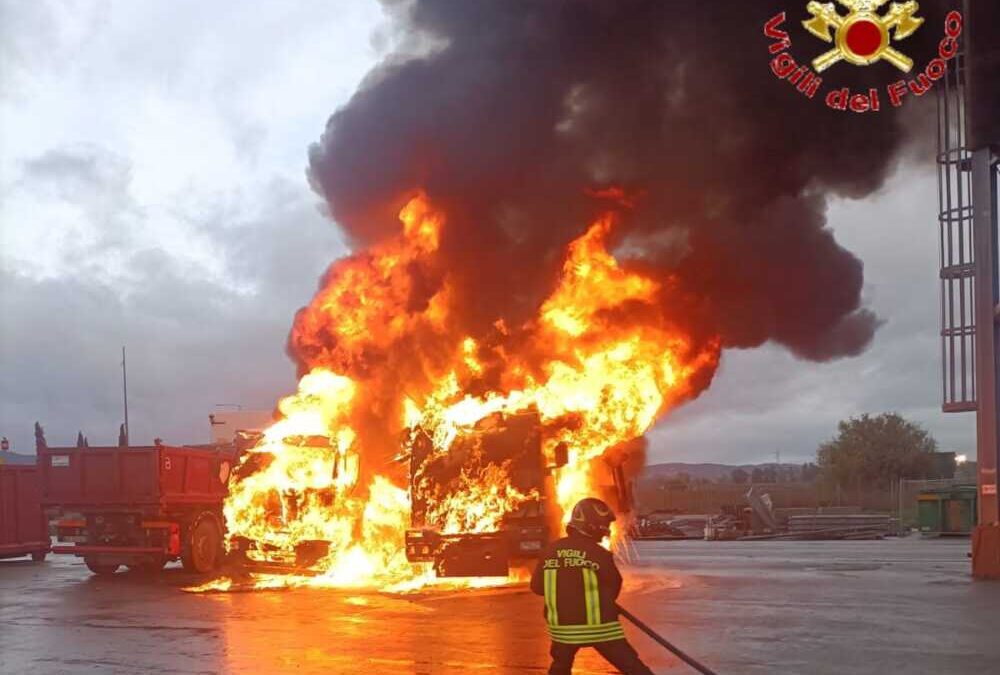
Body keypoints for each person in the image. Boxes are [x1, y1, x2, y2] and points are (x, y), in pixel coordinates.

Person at [530, 497, 654, 675]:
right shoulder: (600, 554)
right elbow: (614, 585)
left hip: (563, 632)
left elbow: (537, 588)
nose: (607, 530)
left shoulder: (550, 550)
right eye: (604, 525)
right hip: (601, 630)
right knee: (633, 668)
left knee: (560, 667)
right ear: (592, 525)